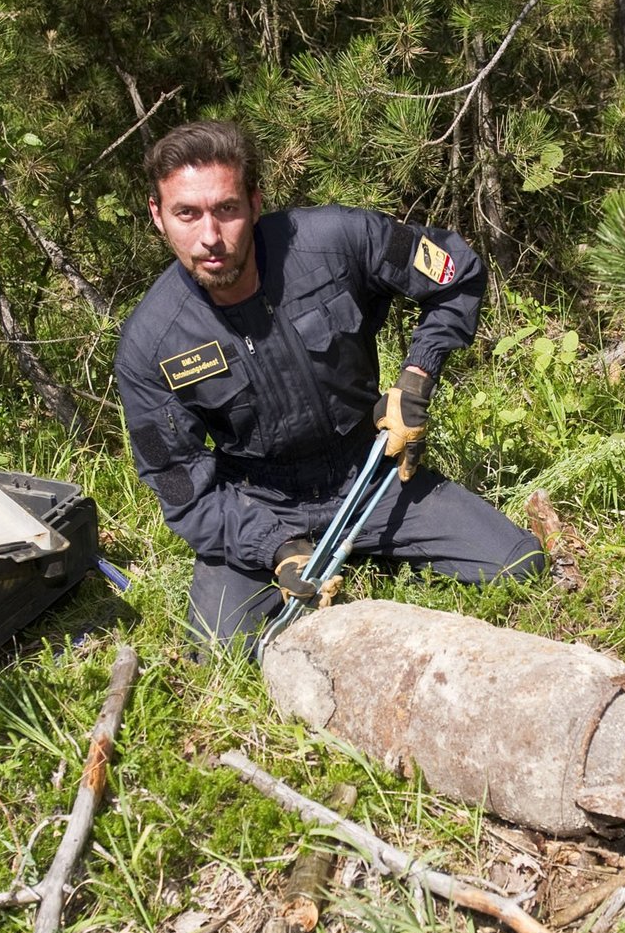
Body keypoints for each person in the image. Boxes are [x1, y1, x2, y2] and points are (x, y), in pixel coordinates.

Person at [115, 120, 544, 650]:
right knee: (219, 646)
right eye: (187, 214)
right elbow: (180, 487)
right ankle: (303, 554)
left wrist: (416, 378)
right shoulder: (150, 343)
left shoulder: (336, 241)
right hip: (261, 501)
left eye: (226, 208)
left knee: (517, 563)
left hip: (370, 475)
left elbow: (457, 273)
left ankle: (367, 544)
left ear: (254, 200)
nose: (210, 236)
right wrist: (274, 547)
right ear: (158, 216)